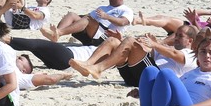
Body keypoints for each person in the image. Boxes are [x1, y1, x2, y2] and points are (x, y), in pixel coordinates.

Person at [69, 24, 198, 86]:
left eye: (180, 36)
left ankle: (98, 69)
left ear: (190, 41)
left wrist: (155, 44)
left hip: (154, 80)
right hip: (135, 77)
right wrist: (143, 42)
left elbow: (175, 55)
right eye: (176, 35)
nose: (176, 38)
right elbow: (143, 50)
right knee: (113, 41)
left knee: (130, 41)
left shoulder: (191, 55)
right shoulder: (167, 49)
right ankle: (88, 64)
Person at [40, 0, 133, 46]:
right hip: (91, 32)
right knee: (71, 15)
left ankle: (59, 33)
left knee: (88, 19)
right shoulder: (103, 7)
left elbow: (123, 22)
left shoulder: (126, 10)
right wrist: (71, 20)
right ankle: (56, 34)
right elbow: (85, 17)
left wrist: (106, 16)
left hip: (105, 37)